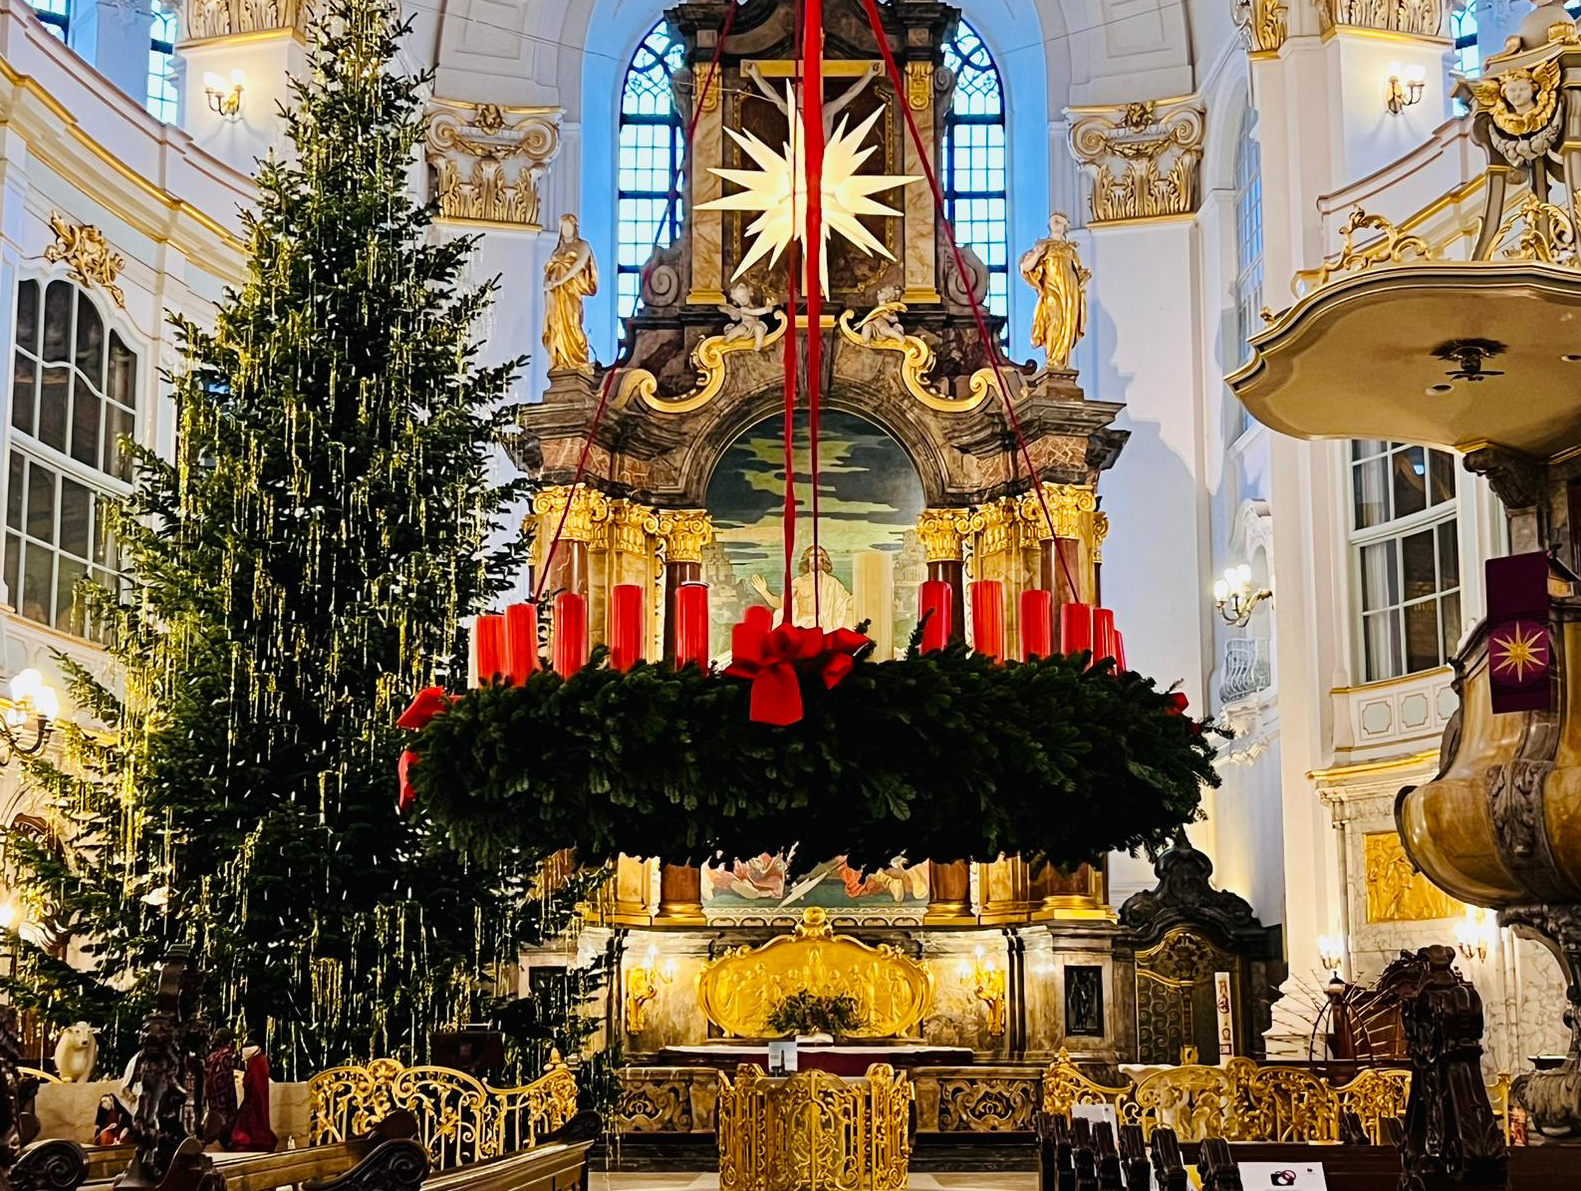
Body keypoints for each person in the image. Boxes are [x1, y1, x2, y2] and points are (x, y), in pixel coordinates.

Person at [1019, 212, 1091, 373]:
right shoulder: (1043, 246)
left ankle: (1062, 361)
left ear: (1066, 226)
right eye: (1054, 221)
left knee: (1068, 321)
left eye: (1060, 221)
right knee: (1055, 319)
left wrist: (1082, 278)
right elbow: (1026, 267)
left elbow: (1077, 271)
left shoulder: (1070, 250)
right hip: (1052, 289)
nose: (1057, 224)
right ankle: (1053, 359)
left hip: (1070, 291)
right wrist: (1038, 253)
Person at [541, 213, 598, 374]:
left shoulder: (582, 245)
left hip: (571, 290)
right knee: (555, 324)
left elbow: (579, 264)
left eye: (568, 227)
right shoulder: (557, 250)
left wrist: (560, 281)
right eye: (563, 227)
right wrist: (548, 284)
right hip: (555, 293)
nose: (565, 230)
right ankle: (559, 360)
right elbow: (549, 271)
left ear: (575, 228)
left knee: (572, 322)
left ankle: (576, 360)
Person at [750, 545, 855, 629]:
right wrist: (764, 591)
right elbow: (781, 605)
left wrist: (861, 597)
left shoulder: (833, 583)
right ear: (807, 559)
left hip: (824, 627)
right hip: (803, 627)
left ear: (823, 559)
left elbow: (846, 602)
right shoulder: (798, 582)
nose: (816, 558)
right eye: (812, 555)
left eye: (819, 555)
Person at [227, 1035, 277, 1152]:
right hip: (252, 1099)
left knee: (250, 1125)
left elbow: (254, 1083)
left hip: (254, 1100)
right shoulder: (258, 1061)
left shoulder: (258, 1062)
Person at [202, 1028, 240, 1147]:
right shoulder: (226, 1053)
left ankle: (216, 1138)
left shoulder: (212, 1054)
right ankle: (226, 1140)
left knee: (216, 1114)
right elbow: (226, 1074)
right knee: (226, 1115)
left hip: (212, 1090)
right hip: (223, 1090)